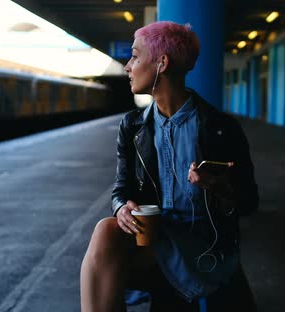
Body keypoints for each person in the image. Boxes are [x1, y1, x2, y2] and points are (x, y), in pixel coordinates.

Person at [80, 21, 258, 312]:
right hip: (155, 240)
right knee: (106, 229)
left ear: (161, 63)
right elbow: (121, 189)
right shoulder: (133, 126)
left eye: (135, 56)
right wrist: (122, 208)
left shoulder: (220, 128)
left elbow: (249, 202)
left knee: (106, 239)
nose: (127, 66)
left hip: (204, 247)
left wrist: (218, 187)